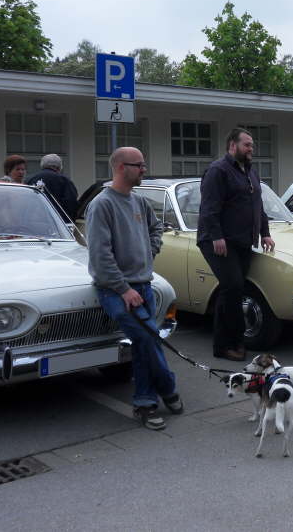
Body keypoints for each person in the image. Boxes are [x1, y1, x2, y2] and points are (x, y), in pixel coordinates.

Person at [86, 146, 182, 430]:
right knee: (146, 339)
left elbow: (156, 229)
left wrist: (149, 251)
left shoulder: (139, 202)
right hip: (116, 290)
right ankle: (167, 389)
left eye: (143, 164)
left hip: (144, 285)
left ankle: (145, 402)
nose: (144, 169)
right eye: (138, 165)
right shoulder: (101, 205)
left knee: (145, 343)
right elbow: (100, 257)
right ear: (120, 167)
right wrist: (124, 289)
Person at [197, 128, 275, 362]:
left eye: (252, 145)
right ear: (233, 145)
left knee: (232, 290)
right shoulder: (218, 171)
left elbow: (257, 206)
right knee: (232, 287)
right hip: (219, 242)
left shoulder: (251, 172)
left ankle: (232, 341)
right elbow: (209, 208)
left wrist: (265, 233)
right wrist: (217, 236)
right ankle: (225, 345)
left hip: (242, 242)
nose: (252, 149)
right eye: (247, 145)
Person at [26, 154, 78, 221]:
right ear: (59, 167)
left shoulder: (30, 180)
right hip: (56, 222)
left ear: (42, 165)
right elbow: (71, 202)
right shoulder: (64, 181)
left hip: (33, 221)